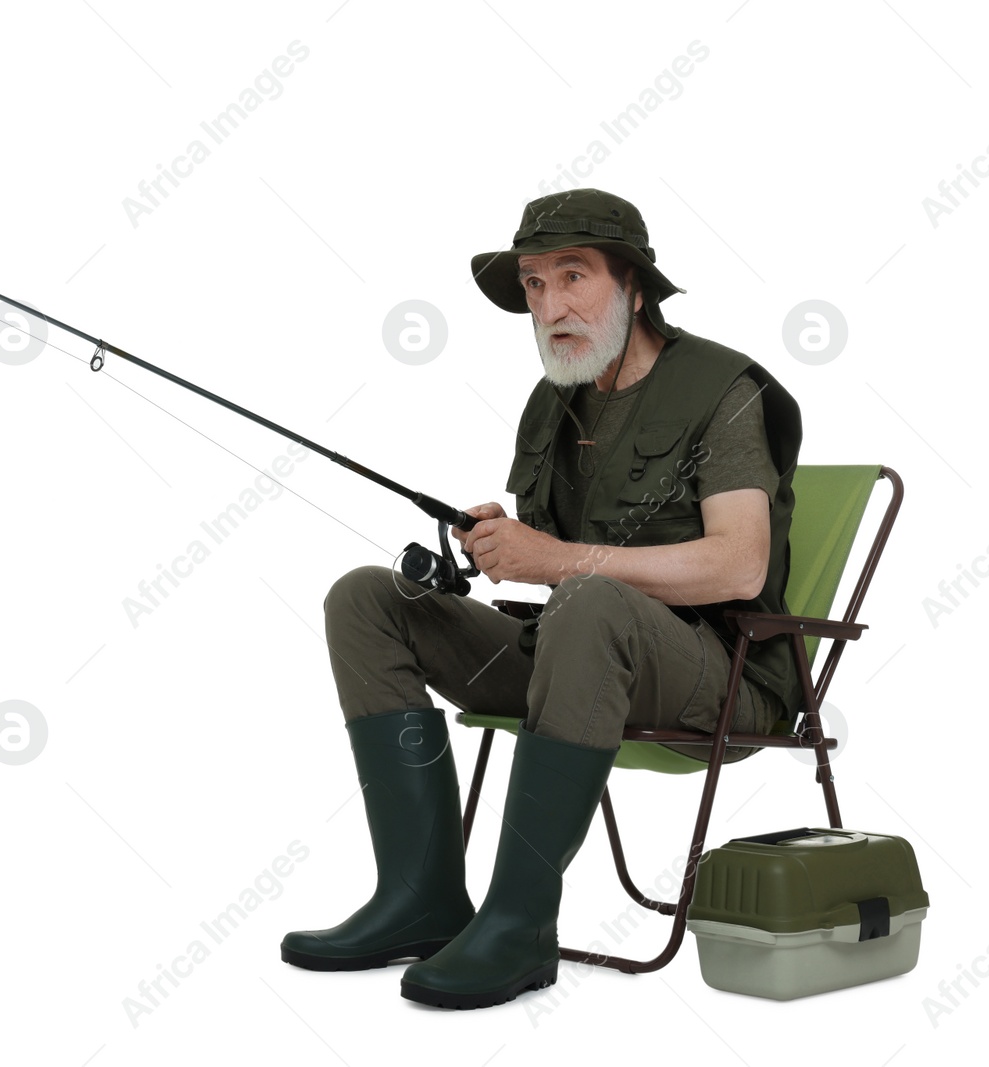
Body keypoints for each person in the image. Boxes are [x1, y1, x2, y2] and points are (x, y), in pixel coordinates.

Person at [279, 188, 803, 1010]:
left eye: (573, 277)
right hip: (576, 656)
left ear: (634, 286)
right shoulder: (555, 397)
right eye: (532, 285)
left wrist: (557, 560)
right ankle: (419, 898)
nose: (550, 306)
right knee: (367, 598)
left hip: (718, 676)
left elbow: (739, 566)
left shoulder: (722, 388)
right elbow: (556, 569)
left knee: (590, 601)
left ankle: (519, 921)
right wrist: (500, 543)